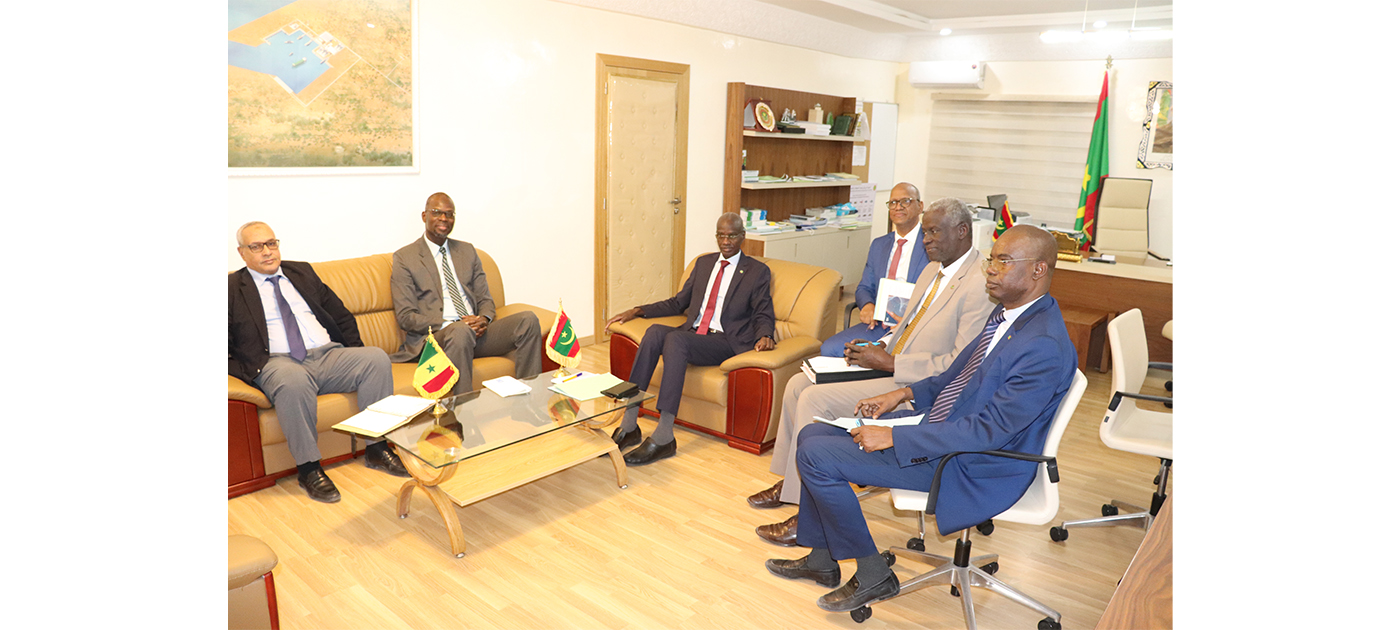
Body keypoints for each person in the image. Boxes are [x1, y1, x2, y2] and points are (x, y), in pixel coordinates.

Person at [764, 225, 1076, 614]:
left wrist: (895, 438)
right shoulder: (1008, 316)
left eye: (1004, 261)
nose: (992, 269)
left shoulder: (1043, 345)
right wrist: (900, 395)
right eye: (992, 259)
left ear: (1038, 270)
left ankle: (874, 573)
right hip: (943, 434)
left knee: (816, 457)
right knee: (813, 434)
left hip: (972, 463)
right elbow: (954, 377)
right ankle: (822, 558)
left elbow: (989, 431)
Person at [749, 198, 996, 546]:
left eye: (933, 232)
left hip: (916, 385)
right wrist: (875, 347)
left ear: (962, 231)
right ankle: (794, 481)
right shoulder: (932, 270)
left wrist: (891, 363)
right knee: (797, 383)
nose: (925, 239)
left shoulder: (979, 284)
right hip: (890, 364)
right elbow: (906, 326)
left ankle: (807, 511)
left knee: (813, 399)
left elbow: (960, 365)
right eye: (924, 232)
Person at [228, 221, 409, 504]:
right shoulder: (230, 289)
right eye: (257, 246)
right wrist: (252, 371)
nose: (267, 251)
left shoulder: (302, 272)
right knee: (293, 381)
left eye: (272, 243)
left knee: (375, 359)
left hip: (327, 354)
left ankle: (377, 448)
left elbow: (341, 315)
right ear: (242, 253)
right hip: (278, 362)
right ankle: (309, 468)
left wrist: (352, 351)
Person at [605, 212, 777, 465]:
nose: (726, 241)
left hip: (725, 341)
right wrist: (637, 310)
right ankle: (629, 423)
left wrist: (765, 334)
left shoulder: (757, 271)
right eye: (721, 235)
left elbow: (763, 310)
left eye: (731, 236)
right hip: (695, 334)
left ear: (742, 236)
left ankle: (664, 436)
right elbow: (678, 303)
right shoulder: (704, 263)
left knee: (676, 340)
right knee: (654, 332)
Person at [389, 192, 542, 394]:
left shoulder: (467, 251)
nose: (444, 218)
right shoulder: (405, 257)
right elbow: (406, 317)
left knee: (528, 320)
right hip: (438, 337)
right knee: (460, 331)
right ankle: (463, 410)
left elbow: (485, 298)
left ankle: (529, 399)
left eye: (449, 214)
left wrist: (483, 319)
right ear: (424, 216)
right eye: (437, 213)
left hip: (476, 333)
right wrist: (452, 324)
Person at [819, 182, 930, 357]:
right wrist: (867, 305)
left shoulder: (931, 245)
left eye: (905, 201)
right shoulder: (879, 245)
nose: (898, 207)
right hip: (878, 325)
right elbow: (864, 287)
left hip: (915, 327)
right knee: (829, 349)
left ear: (920, 206)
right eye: (893, 202)